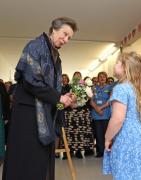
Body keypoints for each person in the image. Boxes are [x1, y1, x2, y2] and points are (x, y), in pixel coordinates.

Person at [2, 17, 78, 180]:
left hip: (45, 116)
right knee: (25, 161)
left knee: (40, 163)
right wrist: (59, 97)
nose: (66, 40)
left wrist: (64, 100)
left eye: (69, 38)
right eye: (64, 34)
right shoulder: (35, 47)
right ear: (54, 29)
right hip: (28, 116)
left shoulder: (57, 57)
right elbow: (31, 81)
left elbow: (53, 93)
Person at [103, 52, 141, 180]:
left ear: (125, 67)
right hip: (140, 137)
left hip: (126, 139)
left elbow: (118, 119)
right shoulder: (138, 88)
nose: (114, 65)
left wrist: (107, 138)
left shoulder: (121, 89)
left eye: (117, 62)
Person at [91, 71, 112, 157]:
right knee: (98, 134)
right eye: (100, 77)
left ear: (106, 78)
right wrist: (97, 108)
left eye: (104, 76)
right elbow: (91, 100)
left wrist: (101, 108)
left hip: (106, 113)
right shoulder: (93, 88)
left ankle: (108, 151)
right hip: (96, 115)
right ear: (98, 78)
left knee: (107, 134)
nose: (102, 78)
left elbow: (110, 99)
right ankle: (100, 152)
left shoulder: (110, 87)